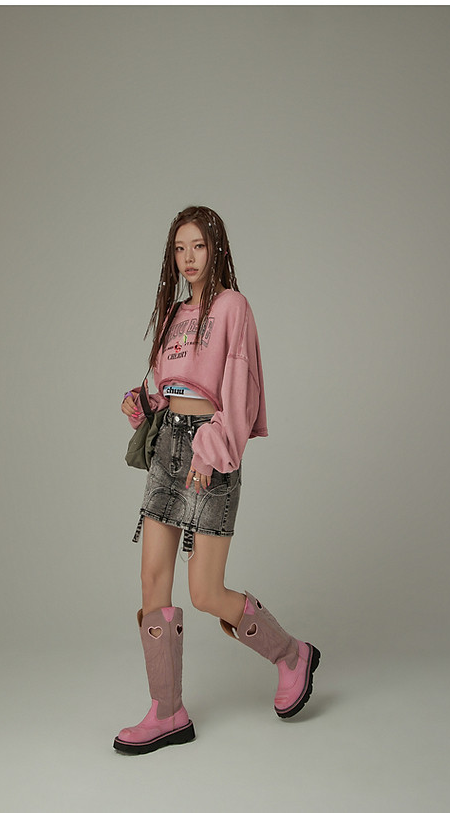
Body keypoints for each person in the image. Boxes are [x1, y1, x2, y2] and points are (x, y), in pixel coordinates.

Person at [114, 205, 320, 755]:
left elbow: (240, 389)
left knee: (205, 591)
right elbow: (171, 386)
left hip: (210, 449)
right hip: (167, 446)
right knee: (151, 578)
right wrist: (143, 404)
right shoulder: (174, 313)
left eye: (198, 246)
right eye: (180, 248)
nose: (189, 258)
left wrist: (213, 449)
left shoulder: (233, 307)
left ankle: (291, 655)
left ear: (217, 248)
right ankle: (167, 711)